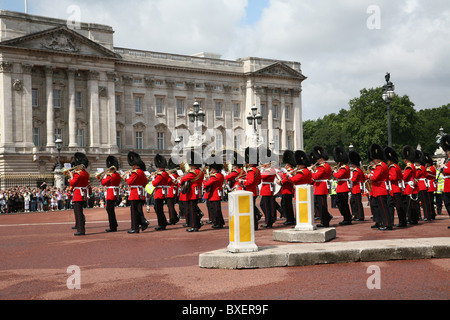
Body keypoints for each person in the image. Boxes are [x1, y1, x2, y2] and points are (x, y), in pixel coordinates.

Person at [367, 144, 392, 230]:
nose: (373, 161)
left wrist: (369, 176)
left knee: (383, 208)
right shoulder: (380, 165)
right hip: (376, 189)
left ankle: (387, 224)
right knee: (376, 206)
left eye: (374, 159)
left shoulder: (381, 166)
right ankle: (379, 221)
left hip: (380, 189)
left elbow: (374, 177)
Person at [126, 152, 150, 234]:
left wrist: (127, 176)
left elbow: (130, 182)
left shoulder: (135, 172)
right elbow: (145, 182)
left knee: (134, 212)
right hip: (140, 192)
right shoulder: (142, 172)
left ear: (134, 164)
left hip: (135, 193)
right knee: (138, 210)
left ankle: (135, 228)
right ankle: (142, 223)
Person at [238, 147, 262, 229]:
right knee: (252, 209)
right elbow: (259, 181)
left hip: (250, 191)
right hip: (254, 191)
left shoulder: (251, 170)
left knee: (250, 210)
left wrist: (242, 182)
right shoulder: (257, 170)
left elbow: (250, 182)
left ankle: (253, 225)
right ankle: (255, 225)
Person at [181, 150, 204, 232]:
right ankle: (197, 223)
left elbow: (183, 179)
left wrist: (181, 179)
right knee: (193, 209)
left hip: (191, 193)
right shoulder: (200, 172)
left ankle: (194, 226)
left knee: (192, 210)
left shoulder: (193, 173)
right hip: (196, 192)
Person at [69, 152, 91, 236]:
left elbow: (72, 183)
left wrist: (71, 176)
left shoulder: (78, 174)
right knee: (80, 212)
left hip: (78, 194)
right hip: (83, 193)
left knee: (78, 213)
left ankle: (81, 230)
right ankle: (81, 226)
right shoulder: (86, 173)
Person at [310, 146, 332, 228]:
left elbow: (316, 176)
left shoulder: (323, 167)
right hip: (320, 187)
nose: (317, 160)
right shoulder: (323, 166)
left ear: (321, 158)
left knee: (322, 206)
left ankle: (325, 222)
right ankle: (325, 219)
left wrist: (311, 170)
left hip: (321, 188)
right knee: (320, 205)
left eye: (318, 159)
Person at [385, 147, 407, 227]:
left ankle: (402, 222)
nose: (387, 162)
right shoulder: (396, 166)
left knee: (398, 206)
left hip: (395, 189)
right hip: (394, 189)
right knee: (391, 205)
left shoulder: (393, 167)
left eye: (387, 160)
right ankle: (391, 221)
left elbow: (393, 177)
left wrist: (386, 177)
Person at [100, 155, 121, 232]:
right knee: (111, 210)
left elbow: (103, 182)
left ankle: (113, 226)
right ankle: (114, 224)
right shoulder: (117, 175)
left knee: (110, 210)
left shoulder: (110, 175)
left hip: (110, 194)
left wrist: (105, 175)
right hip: (115, 193)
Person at [332, 147, 352, 225]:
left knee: (344, 204)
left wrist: (334, 172)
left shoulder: (344, 168)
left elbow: (338, 175)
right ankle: (346, 217)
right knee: (340, 203)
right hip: (340, 187)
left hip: (343, 187)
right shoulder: (342, 167)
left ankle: (347, 218)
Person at [277, 150, 297, 226]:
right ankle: (289, 218)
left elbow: (287, 179)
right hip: (285, 190)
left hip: (287, 190)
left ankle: (290, 219)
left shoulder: (290, 170)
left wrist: (281, 182)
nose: (285, 165)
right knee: (286, 205)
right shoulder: (288, 170)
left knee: (288, 206)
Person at [203, 160, 225, 229]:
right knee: (217, 209)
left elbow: (206, 184)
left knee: (216, 210)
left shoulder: (214, 176)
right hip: (217, 193)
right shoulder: (220, 175)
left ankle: (218, 223)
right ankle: (220, 222)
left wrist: (205, 180)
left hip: (214, 195)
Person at [402, 146, 419, 225]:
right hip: (411, 186)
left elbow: (404, 177)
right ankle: (413, 218)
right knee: (412, 204)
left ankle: (412, 219)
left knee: (410, 205)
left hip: (409, 187)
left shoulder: (409, 166)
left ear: (406, 159)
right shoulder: (412, 165)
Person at [259, 148, 276, 229]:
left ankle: (268, 221)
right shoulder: (267, 169)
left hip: (268, 189)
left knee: (266, 206)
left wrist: (260, 170)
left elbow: (262, 176)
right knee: (263, 205)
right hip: (265, 189)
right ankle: (269, 219)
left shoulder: (271, 170)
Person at [152, 154, 170, 231]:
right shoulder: (165, 173)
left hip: (159, 193)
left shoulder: (160, 174)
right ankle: (164, 222)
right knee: (159, 208)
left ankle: (161, 224)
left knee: (158, 209)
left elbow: (154, 183)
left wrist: (153, 177)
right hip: (162, 191)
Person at [415, 150, 432, 221]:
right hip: (421, 185)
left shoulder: (420, 168)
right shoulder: (422, 167)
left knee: (424, 202)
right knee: (423, 202)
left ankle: (427, 216)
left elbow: (416, 175)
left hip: (421, 186)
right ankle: (426, 216)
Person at [349, 151, 365, 221]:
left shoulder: (356, 171)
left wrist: (348, 180)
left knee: (357, 203)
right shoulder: (360, 170)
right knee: (353, 202)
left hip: (356, 188)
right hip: (357, 188)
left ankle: (359, 216)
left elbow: (354, 179)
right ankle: (356, 215)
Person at [439, 135, 450, 228]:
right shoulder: (448, 160)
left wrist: (444, 168)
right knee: (447, 203)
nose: (447, 153)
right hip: (447, 184)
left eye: (447, 151)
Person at [166, 158, 180, 225]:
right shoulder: (176, 175)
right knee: (170, 205)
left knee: (170, 206)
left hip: (171, 192)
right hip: (173, 191)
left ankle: (172, 219)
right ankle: (175, 217)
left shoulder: (172, 175)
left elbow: (167, 182)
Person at [424, 153, 437, 219]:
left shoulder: (431, 168)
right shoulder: (429, 168)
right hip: (429, 185)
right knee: (429, 201)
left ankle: (432, 214)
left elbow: (426, 175)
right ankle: (432, 214)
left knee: (430, 201)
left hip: (430, 185)